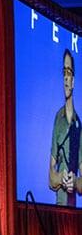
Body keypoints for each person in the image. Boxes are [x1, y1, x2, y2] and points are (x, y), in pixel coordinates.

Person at [49, 49, 82, 206]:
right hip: (59, 207)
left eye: (69, 72)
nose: (66, 79)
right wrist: (60, 178)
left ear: (74, 81)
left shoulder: (78, 124)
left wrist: (75, 182)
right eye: (64, 73)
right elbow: (50, 178)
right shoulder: (58, 119)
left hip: (74, 209)